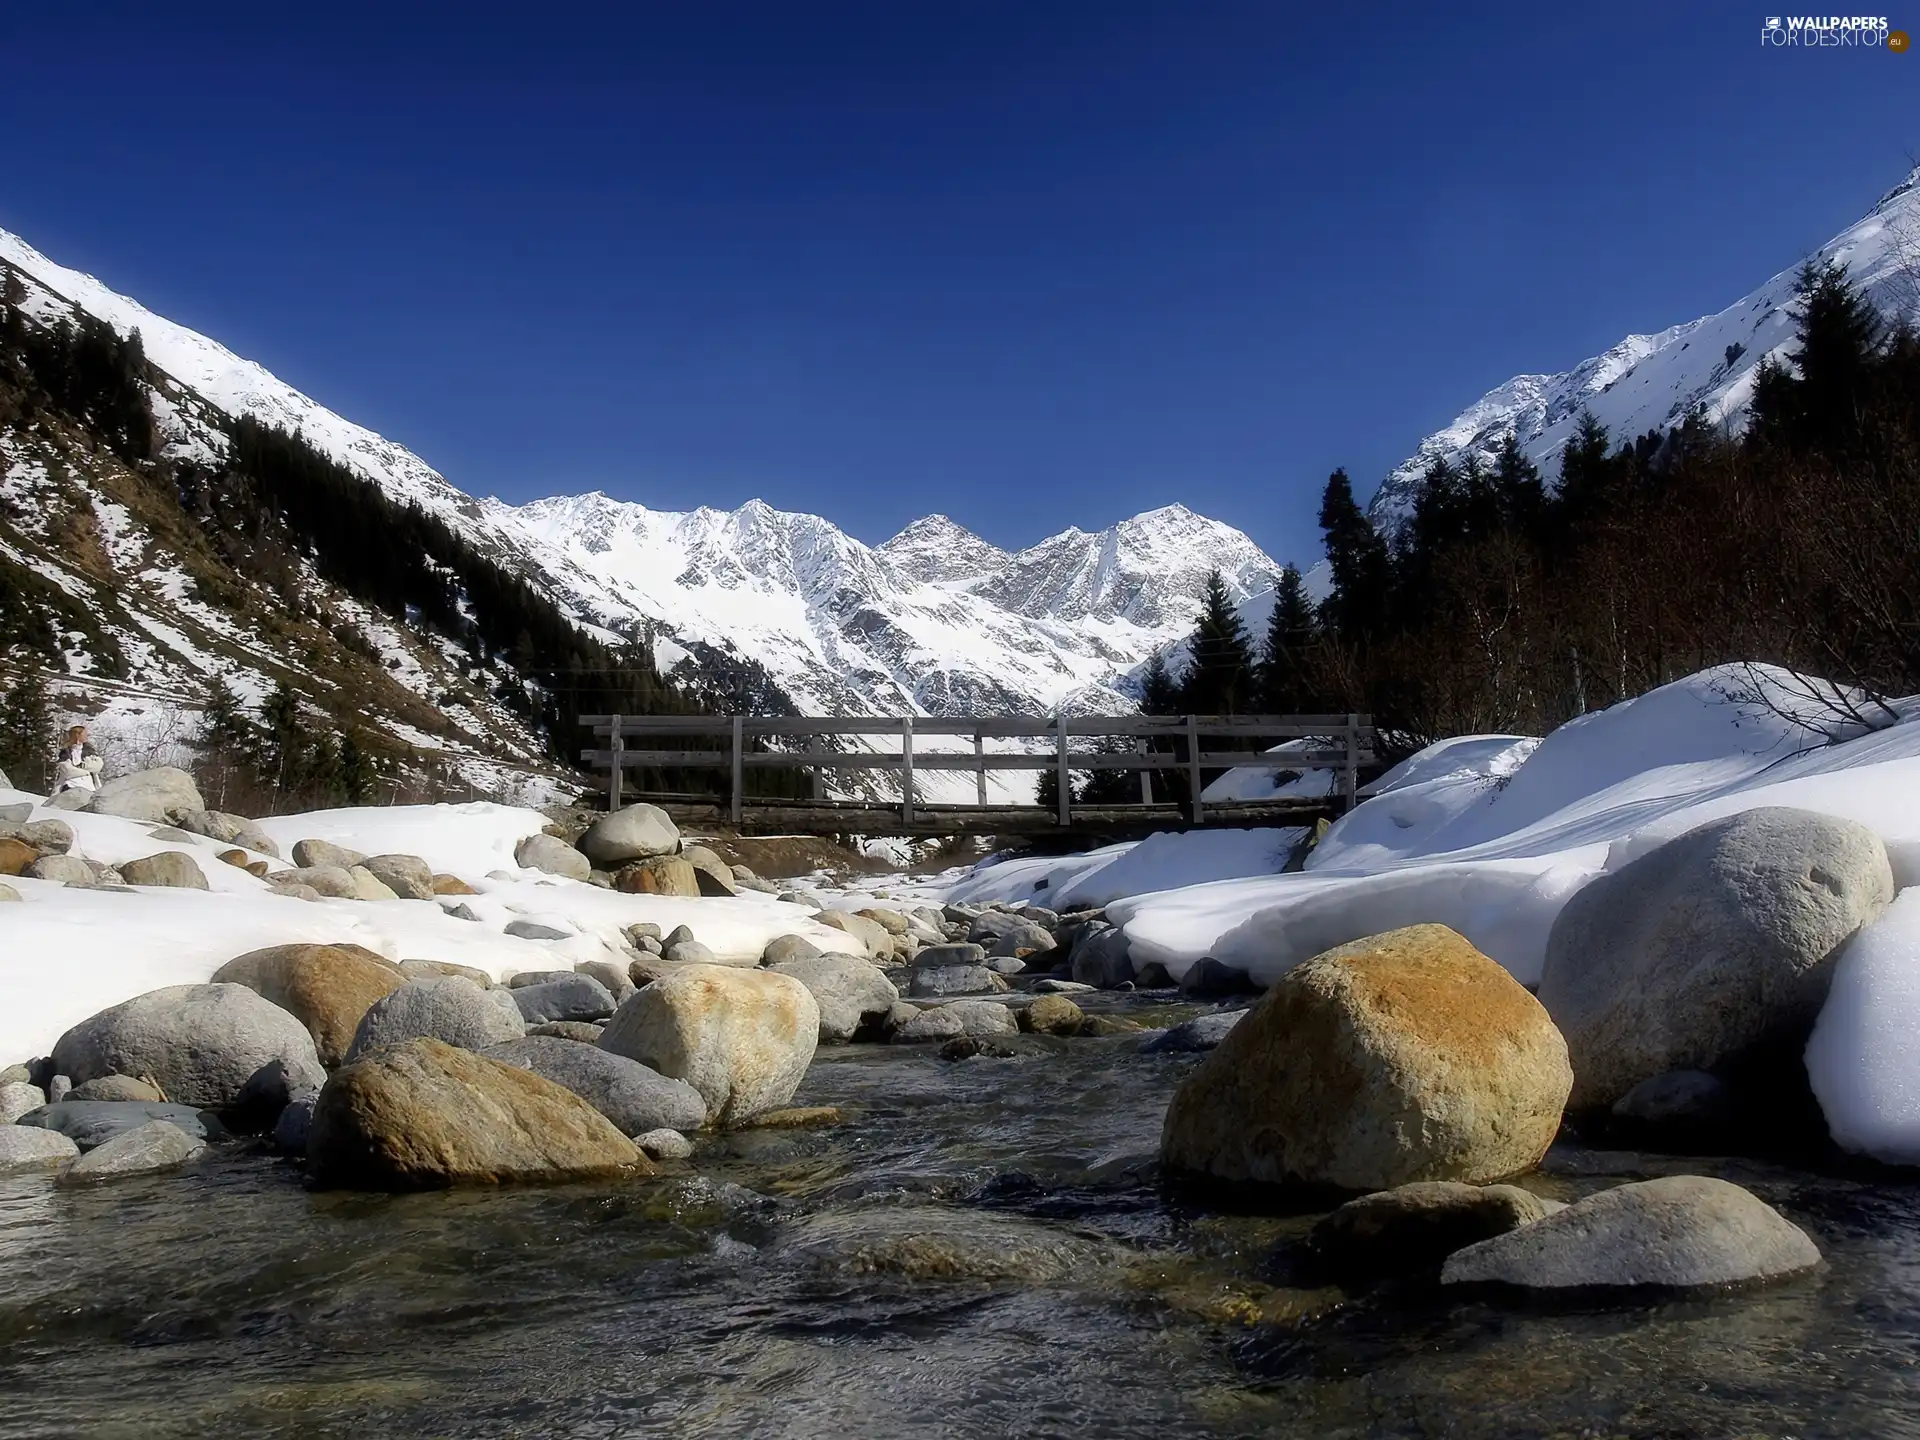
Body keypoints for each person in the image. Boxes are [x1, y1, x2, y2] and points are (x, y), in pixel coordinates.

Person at [51, 724, 103, 796]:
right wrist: (86, 772)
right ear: (78, 736)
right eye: (84, 734)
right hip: (71, 787)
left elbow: (98, 766)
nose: (87, 736)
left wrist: (81, 766)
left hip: (90, 788)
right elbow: (68, 771)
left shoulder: (90, 751)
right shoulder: (66, 753)